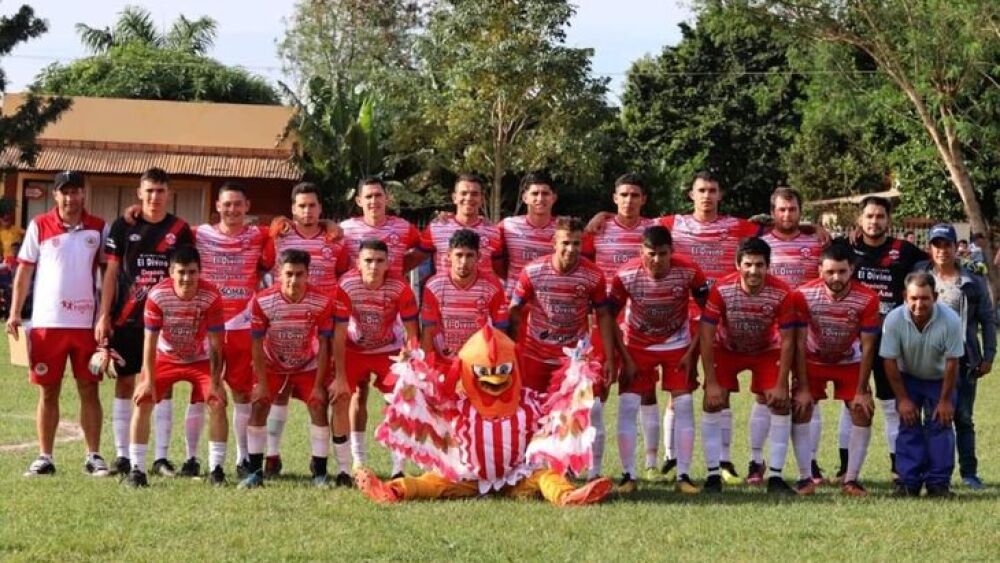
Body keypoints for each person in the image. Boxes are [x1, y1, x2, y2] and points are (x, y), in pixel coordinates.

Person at [6, 171, 109, 477]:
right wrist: (14, 312)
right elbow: (24, 273)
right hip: (46, 324)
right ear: (55, 195)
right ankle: (45, 457)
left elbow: (108, 276)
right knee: (47, 392)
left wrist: (104, 315)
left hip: (86, 325)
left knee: (89, 388)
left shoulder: (99, 228)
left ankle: (93, 455)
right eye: (64, 192)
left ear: (83, 194)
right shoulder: (39, 225)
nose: (70, 197)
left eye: (75, 191)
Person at [95, 167, 194, 477]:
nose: (154, 196)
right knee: (125, 384)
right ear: (139, 193)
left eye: (160, 191)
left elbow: (185, 275)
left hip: (165, 321)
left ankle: (161, 457)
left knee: (161, 388)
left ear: (169, 193)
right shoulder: (122, 227)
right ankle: (123, 456)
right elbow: (111, 272)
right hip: (126, 318)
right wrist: (104, 314)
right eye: (149, 190)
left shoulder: (179, 229)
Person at [509, 216, 617, 480]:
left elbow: (603, 316)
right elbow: (514, 310)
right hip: (535, 354)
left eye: (577, 243)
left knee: (585, 413)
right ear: (553, 242)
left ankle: (590, 474)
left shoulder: (593, 275)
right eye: (566, 243)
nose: (571, 249)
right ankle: (530, 471)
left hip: (573, 361)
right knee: (531, 414)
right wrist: (512, 348)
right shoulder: (533, 271)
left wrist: (608, 356)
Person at [609, 226, 708, 494]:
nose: (656, 260)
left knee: (685, 403)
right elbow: (607, 317)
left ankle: (683, 476)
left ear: (672, 252)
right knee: (628, 405)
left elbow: (710, 312)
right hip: (637, 346)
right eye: (650, 254)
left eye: (662, 254)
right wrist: (623, 355)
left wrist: (692, 351)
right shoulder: (626, 274)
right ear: (640, 251)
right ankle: (628, 475)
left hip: (677, 344)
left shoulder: (689, 271)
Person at [261, 182, 350, 476]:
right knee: (280, 393)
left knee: (320, 396)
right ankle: (271, 455)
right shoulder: (279, 236)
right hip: (285, 323)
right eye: (301, 206)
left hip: (322, 327)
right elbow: (260, 263)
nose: (307, 211)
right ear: (292, 209)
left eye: (312, 205)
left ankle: (324, 463)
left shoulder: (335, 239)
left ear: (320, 208)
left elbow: (344, 274)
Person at [700, 237, 798, 495]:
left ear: (768, 266)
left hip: (766, 350)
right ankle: (713, 476)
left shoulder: (783, 291)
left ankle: (775, 477)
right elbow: (707, 336)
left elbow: (788, 341)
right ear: (737, 265)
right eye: (748, 264)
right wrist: (710, 382)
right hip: (727, 348)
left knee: (779, 403)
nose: (753, 271)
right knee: (713, 401)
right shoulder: (721, 289)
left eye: (759, 265)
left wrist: (781, 384)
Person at [126, 246, 227, 487]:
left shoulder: (211, 295)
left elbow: (216, 344)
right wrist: (147, 380)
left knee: (218, 401)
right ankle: (136, 469)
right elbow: (149, 341)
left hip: (199, 358)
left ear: (200, 272)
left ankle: (217, 470)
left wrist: (216, 382)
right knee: (143, 400)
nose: (186, 278)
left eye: (192, 272)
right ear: (171, 272)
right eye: (181, 272)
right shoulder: (157, 295)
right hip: (166, 357)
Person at [240, 249, 338, 488]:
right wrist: (262, 384)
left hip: (307, 365)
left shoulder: (321, 301)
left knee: (318, 404)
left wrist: (317, 386)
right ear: (278, 274)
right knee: (260, 405)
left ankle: (320, 472)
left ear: (308, 275)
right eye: (289, 274)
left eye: (300, 274)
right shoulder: (262, 300)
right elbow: (256, 343)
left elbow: (325, 344)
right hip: (272, 364)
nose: (294, 280)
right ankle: (255, 472)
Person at [582, 173, 656, 489]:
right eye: (623, 195)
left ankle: (641, 468)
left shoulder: (655, 229)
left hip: (639, 321)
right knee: (595, 396)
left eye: (635, 195)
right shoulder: (598, 230)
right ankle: (592, 469)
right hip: (602, 320)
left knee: (637, 394)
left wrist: (809, 227)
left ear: (644, 200)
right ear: (614, 198)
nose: (629, 200)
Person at [846, 196, 926, 485]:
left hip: (891, 340)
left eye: (880, 216)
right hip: (852, 340)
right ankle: (846, 469)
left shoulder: (904, 251)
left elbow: (933, 264)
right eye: (869, 216)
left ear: (888, 221)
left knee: (891, 404)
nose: (874, 221)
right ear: (860, 219)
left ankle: (898, 469)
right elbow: (819, 247)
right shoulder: (847, 247)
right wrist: (811, 228)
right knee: (852, 402)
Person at [193, 182, 272, 477]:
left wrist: (329, 224)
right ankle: (204, 462)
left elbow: (287, 224)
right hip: (208, 325)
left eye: (238, 204)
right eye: (227, 204)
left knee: (241, 394)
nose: (232, 210)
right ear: (217, 206)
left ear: (247, 206)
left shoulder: (259, 235)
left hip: (243, 326)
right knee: (209, 395)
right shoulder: (200, 233)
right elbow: (166, 228)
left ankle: (242, 459)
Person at [795, 243, 880, 496]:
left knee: (862, 410)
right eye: (830, 271)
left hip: (849, 361)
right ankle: (804, 478)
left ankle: (851, 480)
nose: (836, 278)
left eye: (842, 272)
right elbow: (798, 343)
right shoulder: (802, 295)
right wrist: (801, 386)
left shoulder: (868, 297)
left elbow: (868, 347)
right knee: (800, 408)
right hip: (812, 360)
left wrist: (863, 390)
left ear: (851, 270)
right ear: (819, 269)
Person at [915, 224, 995, 489]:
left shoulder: (972, 280)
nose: (942, 250)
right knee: (932, 418)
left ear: (954, 247)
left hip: (965, 360)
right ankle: (935, 472)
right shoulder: (920, 277)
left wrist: (989, 355)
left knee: (962, 418)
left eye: (947, 244)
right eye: (936, 245)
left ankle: (969, 473)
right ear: (930, 248)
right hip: (928, 361)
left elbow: (987, 318)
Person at [332, 239, 419, 478]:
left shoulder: (400, 287)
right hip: (354, 348)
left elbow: (413, 330)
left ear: (388, 263)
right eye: (368, 261)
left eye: (379, 261)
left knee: (399, 401)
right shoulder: (347, 285)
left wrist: (409, 358)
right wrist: (339, 375)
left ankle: (398, 468)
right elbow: (338, 334)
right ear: (358, 263)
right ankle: (353, 463)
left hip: (389, 349)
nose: (374, 266)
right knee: (345, 398)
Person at [757, 187, 826, 486]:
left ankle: (809, 461)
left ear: (801, 210)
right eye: (782, 210)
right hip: (769, 330)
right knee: (765, 396)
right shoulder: (761, 242)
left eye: (793, 209)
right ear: (773, 212)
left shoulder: (816, 241)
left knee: (808, 397)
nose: (787, 215)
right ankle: (755, 462)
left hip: (807, 331)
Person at [880, 272, 963, 497]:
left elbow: (952, 362)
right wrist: (903, 399)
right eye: (914, 298)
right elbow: (889, 360)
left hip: (940, 379)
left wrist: (945, 401)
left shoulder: (951, 321)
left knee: (941, 424)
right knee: (908, 424)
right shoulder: (894, 320)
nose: (919, 304)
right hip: (909, 378)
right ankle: (909, 483)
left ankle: (938, 483)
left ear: (935, 297)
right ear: (905, 297)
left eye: (925, 298)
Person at [420, 229, 509, 369]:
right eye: (459, 255)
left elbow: (500, 330)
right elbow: (428, 331)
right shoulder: (433, 285)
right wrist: (424, 369)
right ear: (448, 255)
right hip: (444, 361)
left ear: (478, 256)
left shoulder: (493, 286)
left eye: (469, 255)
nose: (463, 262)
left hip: (479, 362)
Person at [420, 174, 504, 278]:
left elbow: (500, 269)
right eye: (463, 193)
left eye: (474, 194)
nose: (468, 198)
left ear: (482, 199)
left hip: (481, 293)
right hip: (445, 292)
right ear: (454, 198)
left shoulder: (493, 232)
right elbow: (417, 258)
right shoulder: (437, 227)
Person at [340, 177, 424, 279]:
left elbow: (427, 246)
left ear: (387, 198)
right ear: (359, 201)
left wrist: (403, 265)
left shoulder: (403, 228)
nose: (374, 200)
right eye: (368, 196)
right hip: (356, 292)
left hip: (393, 292)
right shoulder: (346, 230)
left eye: (378, 195)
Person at [497, 172, 559, 294]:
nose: (540, 199)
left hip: (548, 303)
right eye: (535, 193)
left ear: (554, 198)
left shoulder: (564, 228)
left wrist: (603, 215)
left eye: (545, 193)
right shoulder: (508, 226)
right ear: (525, 197)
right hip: (514, 303)